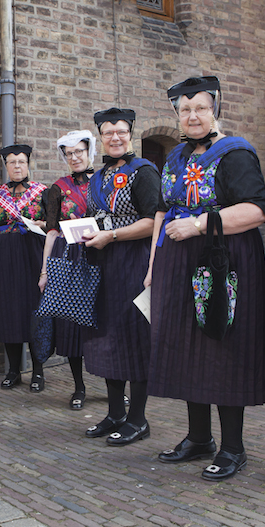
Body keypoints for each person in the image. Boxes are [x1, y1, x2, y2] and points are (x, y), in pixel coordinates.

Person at [144, 76, 265, 481]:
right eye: (185, 109)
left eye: (200, 107)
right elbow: (163, 211)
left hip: (222, 262)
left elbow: (257, 210)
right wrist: (152, 266)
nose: (192, 115)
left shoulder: (236, 153)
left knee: (222, 350)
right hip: (175, 262)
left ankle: (233, 447)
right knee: (184, 349)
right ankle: (199, 437)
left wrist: (200, 224)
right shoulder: (176, 156)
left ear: (215, 108)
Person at [81, 108, 160, 446]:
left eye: (121, 131)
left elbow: (154, 219)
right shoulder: (96, 177)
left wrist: (112, 236)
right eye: (108, 132)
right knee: (108, 338)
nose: (115, 137)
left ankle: (138, 419)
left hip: (132, 260)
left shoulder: (143, 171)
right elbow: (91, 217)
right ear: (101, 137)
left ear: (130, 134)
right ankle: (115, 413)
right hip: (102, 263)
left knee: (134, 338)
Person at [38, 130, 96, 410]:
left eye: (79, 152)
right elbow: (50, 232)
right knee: (71, 324)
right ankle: (79, 387)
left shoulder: (103, 182)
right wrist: (44, 272)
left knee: (101, 322)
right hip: (66, 256)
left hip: (99, 255)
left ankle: (115, 386)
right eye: (69, 153)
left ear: (89, 151)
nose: (74, 157)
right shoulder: (57, 189)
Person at [0, 144, 47, 391]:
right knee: (7, 313)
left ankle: (38, 372)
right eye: (12, 162)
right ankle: (13, 370)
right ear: (6, 166)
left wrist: (41, 223)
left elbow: (53, 228)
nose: (17, 166)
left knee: (35, 312)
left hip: (32, 257)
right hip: (3, 259)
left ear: (28, 163)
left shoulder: (42, 193)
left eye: (21, 161)